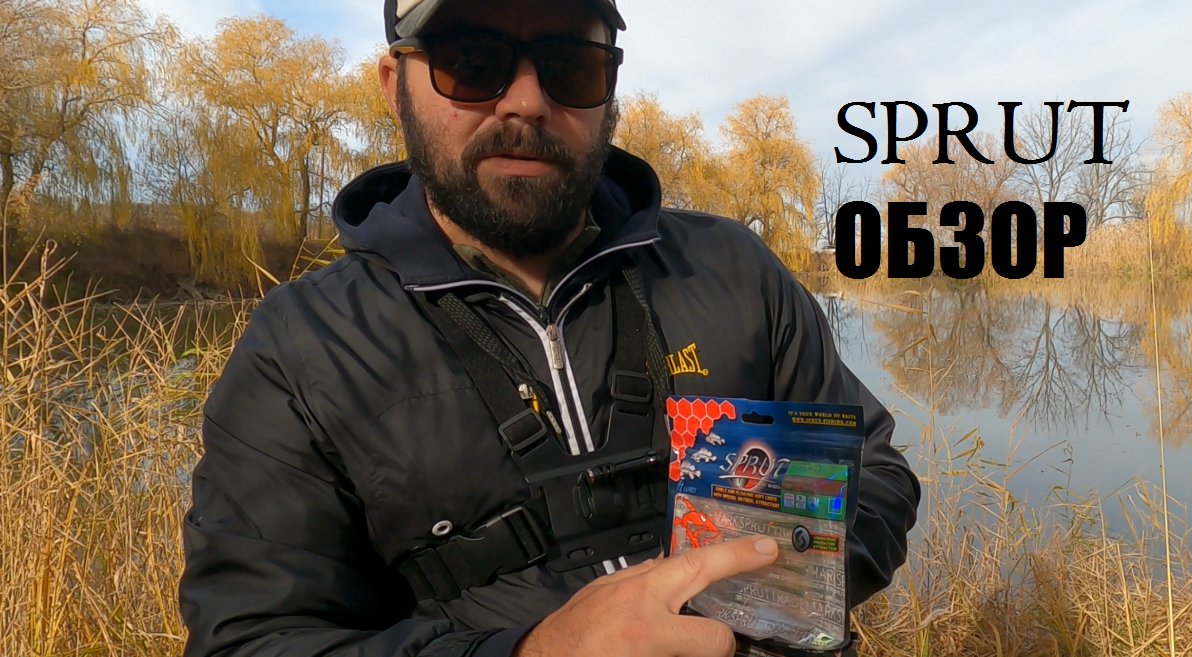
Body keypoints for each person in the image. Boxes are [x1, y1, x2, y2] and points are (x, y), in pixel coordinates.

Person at [178, 0, 921, 655]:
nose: (528, 102)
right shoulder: (299, 348)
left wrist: (765, 598)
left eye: (571, 65)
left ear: (610, 91)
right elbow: (251, 638)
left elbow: (875, 472)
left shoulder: (733, 269)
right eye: (472, 64)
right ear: (393, 86)